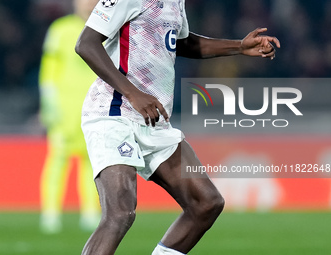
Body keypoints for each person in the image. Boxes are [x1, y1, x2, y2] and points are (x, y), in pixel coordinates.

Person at [75, 0, 280, 254]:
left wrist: (238, 46)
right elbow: (86, 43)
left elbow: (181, 42)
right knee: (120, 213)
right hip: (114, 113)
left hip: (153, 117)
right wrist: (132, 93)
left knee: (205, 203)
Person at [39, 0, 100, 233]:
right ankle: (50, 213)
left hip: (94, 108)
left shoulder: (106, 29)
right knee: (58, 160)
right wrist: (48, 104)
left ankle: (90, 212)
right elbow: (49, 69)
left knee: (92, 163)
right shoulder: (60, 29)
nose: (89, 4)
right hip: (65, 110)